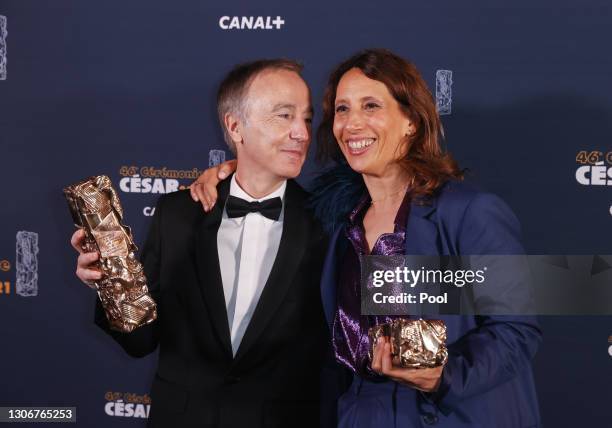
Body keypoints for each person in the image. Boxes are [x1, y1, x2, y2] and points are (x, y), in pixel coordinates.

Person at [191, 48, 542, 427]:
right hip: (359, 413)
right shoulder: (338, 221)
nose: (352, 123)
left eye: (371, 106)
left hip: (448, 413)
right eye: (342, 110)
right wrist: (232, 173)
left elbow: (516, 330)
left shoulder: (468, 212)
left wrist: (445, 374)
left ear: (410, 119)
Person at [71, 59, 329, 428]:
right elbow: (141, 342)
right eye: (284, 116)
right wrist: (109, 286)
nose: (302, 133)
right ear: (235, 126)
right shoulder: (177, 214)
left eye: (306, 118)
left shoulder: (328, 222)